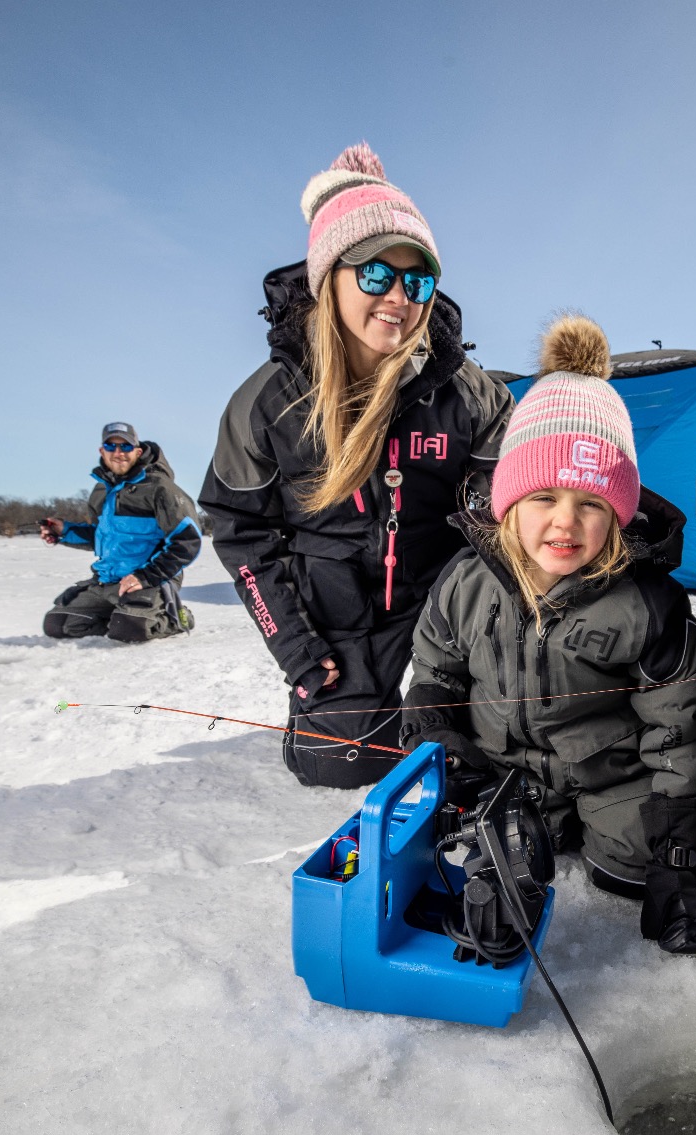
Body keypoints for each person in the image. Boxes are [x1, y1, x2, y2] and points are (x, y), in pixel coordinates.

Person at [400, 316, 696, 955]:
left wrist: (677, 854)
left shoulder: (647, 602)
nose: (564, 523)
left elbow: (677, 727)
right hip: (503, 778)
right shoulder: (466, 582)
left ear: (619, 514)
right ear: (509, 501)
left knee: (625, 873)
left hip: (611, 781)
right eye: (543, 497)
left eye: (591, 503)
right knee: (481, 868)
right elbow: (435, 674)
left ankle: (643, 858)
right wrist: (441, 740)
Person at [200, 143, 513, 789]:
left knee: (474, 760)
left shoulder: (472, 395)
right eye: (375, 273)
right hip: (336, 620)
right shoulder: (267, 402)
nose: (398, 295)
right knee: (339, 764)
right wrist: (297, 648)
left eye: (416, 279)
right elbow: (241, 532)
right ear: (328, 280)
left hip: (442, 616)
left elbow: (502, 522)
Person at [40, 421, 201, 642]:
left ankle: (176, 618)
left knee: (130, 630)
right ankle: (119, 614)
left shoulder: (160, 488)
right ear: (101, 451)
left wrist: (146, 576)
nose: (118, 453)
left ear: (138, 450)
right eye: (111, 446)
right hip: (108, 581)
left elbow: (188, 541)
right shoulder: (102, 490)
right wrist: (63, 531)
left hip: (150, 580)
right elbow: (101, 537)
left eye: (125, 447)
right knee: (59, 624)